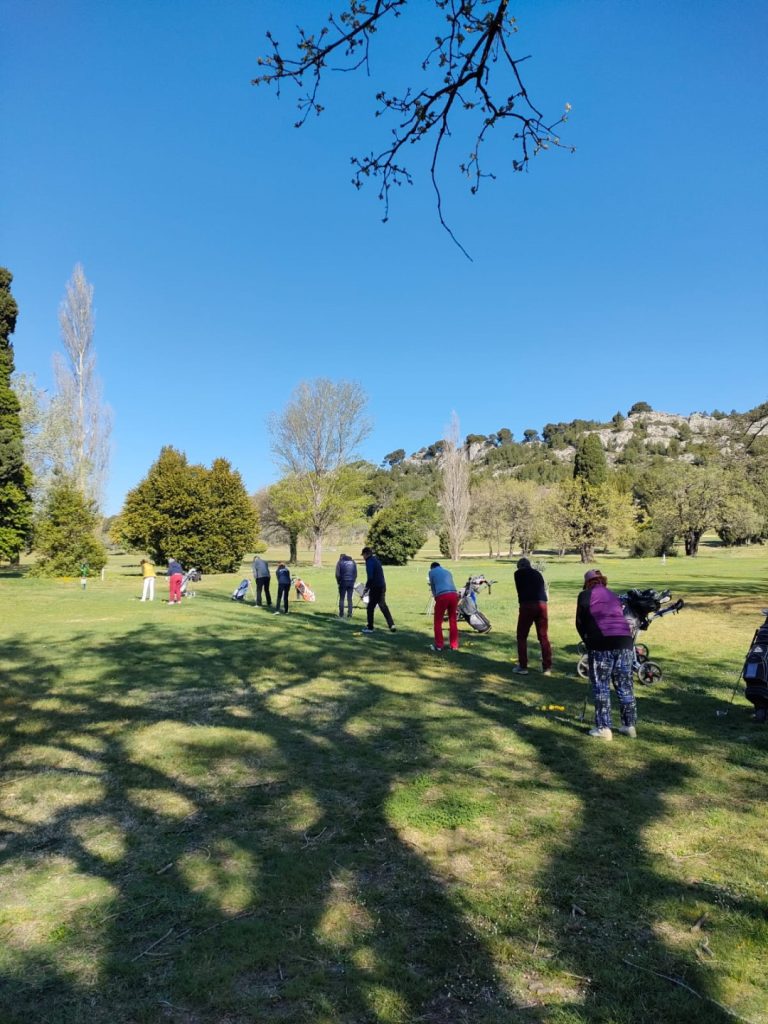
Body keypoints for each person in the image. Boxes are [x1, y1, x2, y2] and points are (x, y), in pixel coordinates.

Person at [576, 568, 637, 740]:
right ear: (603, 581)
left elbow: (579, 623)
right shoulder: (615, 595)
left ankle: (604, 729)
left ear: (587, 583)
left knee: (601, 686)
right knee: (624, 685)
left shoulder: (584, 595)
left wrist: (588, 643)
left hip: (601, 643)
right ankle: (629, 726)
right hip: (625, 642)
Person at [512, 557, 552, 676]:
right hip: (542, 604)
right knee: (543, 637)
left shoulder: (518, 574)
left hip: (527, 605)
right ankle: (547, 667)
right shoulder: (538, 573)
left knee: (522, 636)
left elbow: (520, 589)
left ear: (519, 566)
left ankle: (523, 666)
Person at [361, 546, 396, 633]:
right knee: (383, 606)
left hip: (375, 587)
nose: (363, 557)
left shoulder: (369, 562)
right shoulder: (376, 560)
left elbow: (370, 577)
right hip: (382, 585)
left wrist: (366, 588)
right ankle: (391, 624)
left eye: (363, 555)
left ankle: (370, 627)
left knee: (370, 607)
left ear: (366, 554)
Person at [428, 561, 459, 652]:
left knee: (438, 622)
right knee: (453, 620)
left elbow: (433, 587)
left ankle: (439, 645)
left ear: (432, 567)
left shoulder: (431, 572)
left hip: (442, 595)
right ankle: (454, 645)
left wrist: (436, 597)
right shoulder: (447, 572)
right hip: (454, 594)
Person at [335, 553, 358, 618]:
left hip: (343, 582)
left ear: (341, 557)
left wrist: (338, 582)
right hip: (351, 582)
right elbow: (355, 573)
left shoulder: (340, 562)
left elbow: (337, 574)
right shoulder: (353, 562)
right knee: (349, 598)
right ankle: (350, 613)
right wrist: (353, 580)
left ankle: (341, 614)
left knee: (342, 598)